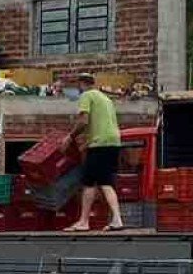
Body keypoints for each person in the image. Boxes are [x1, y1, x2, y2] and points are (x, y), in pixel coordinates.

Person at [38, 72, 128, 231]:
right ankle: (96, 220)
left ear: (81, 84)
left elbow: (83, 121)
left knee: (94, 182)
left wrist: (70, 138)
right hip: (113, 143)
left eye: (78, 85)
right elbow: (102, 125)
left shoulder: (86, 96)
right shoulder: (105, 99)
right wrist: (86, 144)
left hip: (100, 145)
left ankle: (94, 221)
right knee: (99, 181)